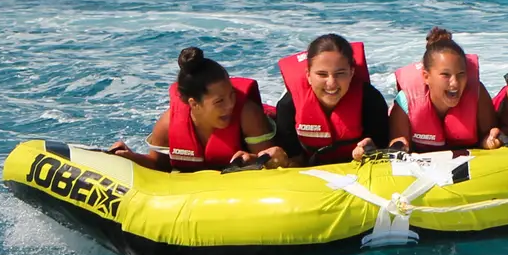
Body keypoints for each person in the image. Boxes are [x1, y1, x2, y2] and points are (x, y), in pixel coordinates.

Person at [108, 47, 283, 170]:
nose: (230, 104)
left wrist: (254, 160)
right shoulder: (167, 124)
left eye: (232, 94)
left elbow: (272, 164)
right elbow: (158, 165)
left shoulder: (248, 114)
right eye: (219, 101)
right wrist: (130, 157)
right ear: (194, 104)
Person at [270, 33, 390, 165]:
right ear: (308, 75)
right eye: (322, 74)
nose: (331, 83)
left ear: (351, 72)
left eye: (340, 74)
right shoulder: (288, 105)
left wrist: (372, 149)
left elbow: (383, 147)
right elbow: (293, 158)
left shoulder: (371, 100)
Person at [388, 28, 502, 152]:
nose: (455, 83)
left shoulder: (478, 94)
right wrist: (398, 146)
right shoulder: (406, 101)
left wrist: (488, 141)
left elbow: (488, 134)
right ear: (426, 77)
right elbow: (397, 140)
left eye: (461, 74)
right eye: (446, 75)